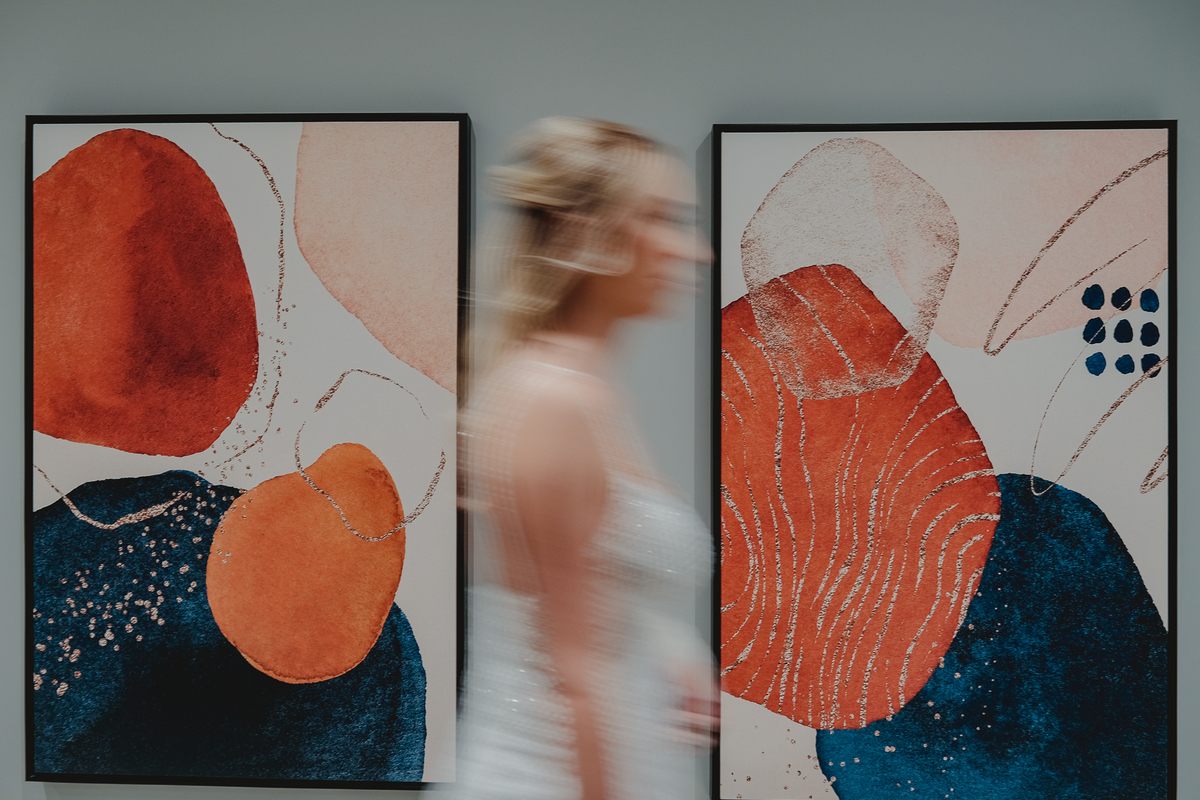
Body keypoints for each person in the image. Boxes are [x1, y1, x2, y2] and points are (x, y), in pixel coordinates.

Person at [451, 117, 716, 800]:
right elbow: (573, 675)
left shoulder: (587, 390)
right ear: (585, 230)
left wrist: (665, 651)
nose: (695, 251)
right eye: (661, 218)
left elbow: (595, 592)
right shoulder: (553, 400)